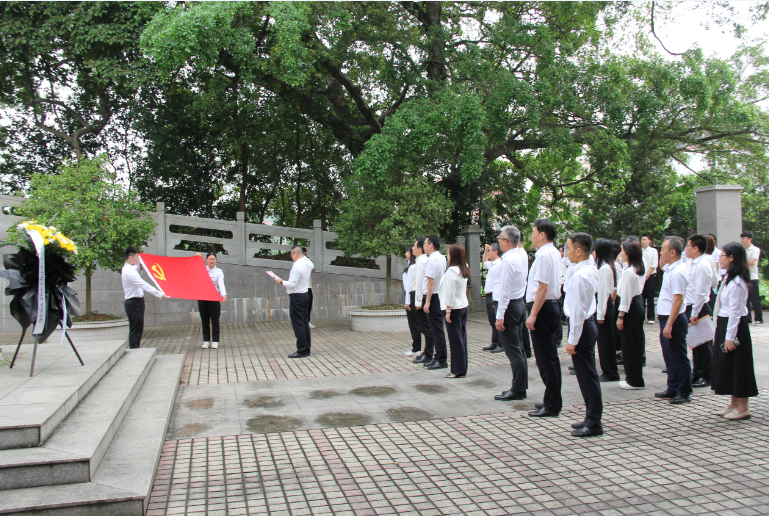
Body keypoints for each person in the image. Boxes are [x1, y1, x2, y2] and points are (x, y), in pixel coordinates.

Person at [712, 242, 759, 420]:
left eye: (722, 255)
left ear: (732, 258)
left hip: (735, 327)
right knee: (728, 365)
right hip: (725, 324)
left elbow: (736, 312)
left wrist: (730, 337)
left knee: (739, 366)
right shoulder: (728, 277)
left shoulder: (738, 282)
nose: (719, 258)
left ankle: (743, 407)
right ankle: (733, 403)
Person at [563, 233, 603, 437]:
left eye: (569, 248)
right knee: (586, 376)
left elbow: (578, 311)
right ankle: (590, 417)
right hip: (585, 324)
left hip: (582, 326)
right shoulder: (585, 269)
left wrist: (572, 339)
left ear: (579, 251)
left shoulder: (581, 275)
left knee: (587, 377)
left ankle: (594, 422)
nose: (566, 252)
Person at [525, 219, 563, 417]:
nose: (531, 236)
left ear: (542, 234)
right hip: (549, 306)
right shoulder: (553, 253)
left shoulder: (545, 255)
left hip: (543, 308)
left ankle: (552, 405)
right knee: (550, 358)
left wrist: (533, 314)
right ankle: (552, 400)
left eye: (533, 232)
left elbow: (542, 287)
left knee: (546, 359)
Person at [655, 236, 692, 404]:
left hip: (674, 319)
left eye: (663, 249)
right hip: (666, 318)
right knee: (669, 355)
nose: (661, 252)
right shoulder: (671, 269)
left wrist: (669, 324)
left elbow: (678, 300)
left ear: (672, 252)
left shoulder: (678, 272)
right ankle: (673, 386)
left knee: (678, 355)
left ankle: (684, 390)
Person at [494, 225, 529, 401]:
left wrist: (500, 316)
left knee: (514, 351)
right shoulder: (522, 256)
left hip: (510, 306)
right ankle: (520, 386)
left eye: (500, 239)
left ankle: (518, 388)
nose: (498, 242)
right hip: (519, 304)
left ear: (506, 241)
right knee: (519, 349)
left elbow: (504, 291)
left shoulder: (508, 260)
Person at [121, 246, 170, 349]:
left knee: (138, 327)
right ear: (130, 258)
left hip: (137, 302)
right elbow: (145, 285)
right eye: (137, 257)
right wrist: (160, 295)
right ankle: (134, 349)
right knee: (136, 328)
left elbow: (138, 265)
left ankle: (135, 348)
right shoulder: (128, 272)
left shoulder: (131, 267)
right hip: (133, 303)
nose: (139, 259)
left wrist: (142, 258)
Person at [684, 235, 715, 388]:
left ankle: (706, 375)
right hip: (691, 306)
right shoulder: (691, 263)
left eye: (688, 246)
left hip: (700, 307)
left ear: (696, 248)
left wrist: (695, 313)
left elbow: (701, 293)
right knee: (695, 342)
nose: (685, 249)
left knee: (704, 344)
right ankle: (697, 373)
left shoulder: (703, 265)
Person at [272, 245, 314, 358]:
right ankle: (306, 348)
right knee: (304, 323)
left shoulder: (297, 266)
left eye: (291, 254)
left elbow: (292, 284)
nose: (291, 256)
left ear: (295, 253)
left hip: (297, 296)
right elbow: (311, 264)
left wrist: (280, 281)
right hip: (305, 294)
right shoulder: (307, 263)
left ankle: (301, 349)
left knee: (298, 323)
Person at [616, 240, 646, 389]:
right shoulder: (638, 268)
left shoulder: (629, 272)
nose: (621, 254)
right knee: (635, 343)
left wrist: (621, 316)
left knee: (629, 345)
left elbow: (626, 296)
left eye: (623, 251)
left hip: (630, 308)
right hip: (637, 305)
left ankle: (634, 380)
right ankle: (633, 377)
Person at [440, 244, 470, 378]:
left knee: (455, 340)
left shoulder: (451, 271)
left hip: (453, 309)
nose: (447, 255)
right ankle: (462, 368)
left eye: (448, 253)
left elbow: (449, 292)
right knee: (461, 338)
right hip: (462, 306)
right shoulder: (464, 268)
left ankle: (457, 370)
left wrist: (447, 310)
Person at [594, 239, 619, 382]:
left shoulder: (604, 269)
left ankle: (610, 372)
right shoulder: (608, 266)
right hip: (606, 304)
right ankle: (609, 371)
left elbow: (603, 293)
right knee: (605, 341)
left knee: (605, 342)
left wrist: (600, 314)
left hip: (604, 305)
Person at [422, 235, 448, 369]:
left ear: (431, 245)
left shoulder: (432, 259)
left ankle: (441, 359)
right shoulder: (441, 257)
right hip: (438, 296)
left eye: (425, 243)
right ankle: (438, 357)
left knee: (436, 329)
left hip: (434, 296)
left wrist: (427, 302)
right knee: (436, 329)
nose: (423, 246)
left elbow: (431, 281)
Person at [196, 252, 227, 349]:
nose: (212, 261)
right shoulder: (202, 269)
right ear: (206, 260)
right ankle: (206, 341)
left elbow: (220, 283)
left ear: (216, 260)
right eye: (210, 259)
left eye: (213, 259)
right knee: (204, 320)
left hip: (214, 298)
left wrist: (223, 294)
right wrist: (196, 258)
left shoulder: (219, 271)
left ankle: (215, 340)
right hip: (202, 297)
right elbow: (194, 270)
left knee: (215, 320)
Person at [411, 238, 434, 364]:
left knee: (425, 327)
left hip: (419, 295)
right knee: (424, 326)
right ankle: (427, 352)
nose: (412, 248)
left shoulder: (421, 262)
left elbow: (420, 283)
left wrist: (418, 301)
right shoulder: (422, 260)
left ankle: (428, 353)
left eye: (414, 246)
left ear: (420, 249)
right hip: (419, 295)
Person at [482, 243, 503, 353]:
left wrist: (496, 299)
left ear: (496, 252)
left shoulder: (499, 264)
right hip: (489, 295)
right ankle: (495, 342)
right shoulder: (493, 264)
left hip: (495, 296)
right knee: (492, 320)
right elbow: (484, 262)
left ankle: (501, 343)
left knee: (496, 320)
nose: (488, 252)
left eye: (490, 250)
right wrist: (486, 250)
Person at [403, 246, 421, 356]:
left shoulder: (412, 267)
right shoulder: (411, 266)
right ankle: (416, 347)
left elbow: (410, 286)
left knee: (414, 325)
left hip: (410, 297)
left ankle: (416, 348)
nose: (405, 254)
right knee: (415, 325)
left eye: (407, 251)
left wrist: (407, 301)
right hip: (411, 297)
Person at [741, 231, 762, 325]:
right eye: (741, 238)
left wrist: (741, 263)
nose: (742, 241)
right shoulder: (742, 250)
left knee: (755, 299)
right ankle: (748, 319)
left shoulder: (755, 249)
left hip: (753, 277)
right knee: (745, 299)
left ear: (750, 239)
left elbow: (751, 262)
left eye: (744, 238)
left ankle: (759, 319)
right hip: (744, 277)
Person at [640, 235, 659, 324]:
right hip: (641, 276)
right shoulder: (639, 251)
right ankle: (642, 316)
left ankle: (651, 317)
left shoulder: (653, 251)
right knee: (641, 297)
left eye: (645, 239)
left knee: (650, 297)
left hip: (650, 276)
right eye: (642, 239)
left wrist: (648, 274)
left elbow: (654, 264)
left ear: (649, 241)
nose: (643, 241)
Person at [302, 247, 317, 329]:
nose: (305, 256)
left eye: (306, 255)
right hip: (302, 288)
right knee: (303, 306)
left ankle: (307, 321)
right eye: (304, 254)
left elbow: (313, 271)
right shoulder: (299, 263)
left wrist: (310, 262)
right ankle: (303, 322)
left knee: (309, 304)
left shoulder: (308, 262)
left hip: (308, 287)